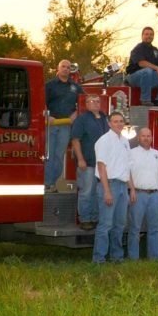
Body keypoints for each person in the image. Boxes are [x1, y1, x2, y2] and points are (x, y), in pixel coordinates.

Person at [92, 112, 133, 263]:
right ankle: (99, 259)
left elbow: (128, 167)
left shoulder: (125, 141)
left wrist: (131, 189)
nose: (119, 124)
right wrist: (107, 191)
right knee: (105, 224)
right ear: (109, 124)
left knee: (119, 225)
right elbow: (101, 166)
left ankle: (117, 257)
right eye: (115, 121)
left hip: (122, 186)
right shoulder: (104, 140)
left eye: (121, 121)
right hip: (109, 185)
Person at [126, 127, 158, 260]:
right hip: (138, 194)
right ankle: (133, 258)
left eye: (148, 136)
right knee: (135, 228)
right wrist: (132, 190)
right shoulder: (131, 153)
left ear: (152, 138)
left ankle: (154, 258)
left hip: (155, 196)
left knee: (154, 228)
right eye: (143, 136)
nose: (146, 138)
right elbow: (127, 174)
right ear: (138, 138)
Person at [69, 95, 109, 229]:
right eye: (92, 101)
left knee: (98, 192)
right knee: (86, 192)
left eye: (98, 101)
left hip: (102, 164)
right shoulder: (82, 119)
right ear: (86, 104)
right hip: (88, 163)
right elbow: (75, 140)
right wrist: (80, 159)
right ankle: (85, 219)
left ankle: (95, 218)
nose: (96, 104)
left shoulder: (104, 118)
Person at [44, 59, 82, 192]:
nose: (66, 69)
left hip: (65, 125)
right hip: (51, 125)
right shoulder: (49, 85)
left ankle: (52, 183)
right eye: (63, 66)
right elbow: (41, 102)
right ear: (58, 69)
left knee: (59, 156)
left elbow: (85, 101)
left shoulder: (75, 87)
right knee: (49, 155)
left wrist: (76, 113)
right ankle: (47, 183)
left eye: (68, 67)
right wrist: (47, 115)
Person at [127, 26, 158, 106]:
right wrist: (157, 68)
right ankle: (145, 100)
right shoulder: (138, 48)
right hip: (134, 78)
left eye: (151, 34)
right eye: (146, 34)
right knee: (148, 71)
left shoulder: (155, 50)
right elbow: (141, 63)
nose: (149, 36)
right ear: (142, 36)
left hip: (149, 78)